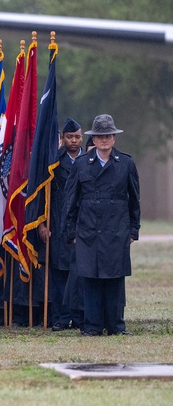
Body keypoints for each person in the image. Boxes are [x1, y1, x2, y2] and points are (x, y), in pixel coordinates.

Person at [64, 114, 140, 336]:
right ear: (93, 140)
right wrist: (71, 232)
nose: (104, 140)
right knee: (91, 279)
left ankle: (116, 325)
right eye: (100, 136)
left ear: (114, 138)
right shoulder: (81, 165)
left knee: (115, 279)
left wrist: (133, 230)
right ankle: (93, 326)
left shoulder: (126, 163)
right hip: (88, 231)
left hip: (117, 230)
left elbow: (135, 200)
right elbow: (71, 201)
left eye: (108, 135)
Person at [39, 117, 84, 331]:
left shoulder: (89, 160)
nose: (73, 141)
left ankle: (80, 316)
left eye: (77, 137)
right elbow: (41, 195)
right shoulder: (53, 163)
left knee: (81, 273)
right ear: (63, 139)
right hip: (57, 222)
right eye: (69, 137)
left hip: (84, 223)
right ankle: (60, 317)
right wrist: (41, 223)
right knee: (58, 273)